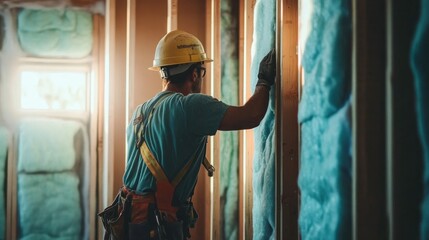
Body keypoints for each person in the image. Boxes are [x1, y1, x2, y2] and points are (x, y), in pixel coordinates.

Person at [117, 30, 275, 240]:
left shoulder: (139, 112)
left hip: (129, 222)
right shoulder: (189, 106)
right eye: (202, 70)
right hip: (156, 227)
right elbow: (251, 116)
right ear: (194, 73)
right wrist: (264, 80)